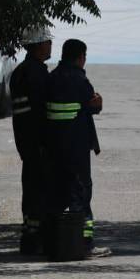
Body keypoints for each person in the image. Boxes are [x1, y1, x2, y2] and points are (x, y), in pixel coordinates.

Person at [45, 39, 108, 257]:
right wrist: (98, 103)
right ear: (80, 57)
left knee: (57, 192)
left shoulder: (51, 79)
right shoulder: (80, 80)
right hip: (78, 146)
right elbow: (91, 105)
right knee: (81, 192)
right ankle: (85, 243)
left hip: (54, 147)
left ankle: (54, 243)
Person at [9, 25, 53, 254]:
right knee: (39, 191)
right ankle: (36, 239)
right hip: (37, 144)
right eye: (47, 42)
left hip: (26, 144)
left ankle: (29, 235)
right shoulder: (35, 74)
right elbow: (40, 113)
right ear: (37, 45)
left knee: (31, 190)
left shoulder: (20, 72)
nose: (50, 45)